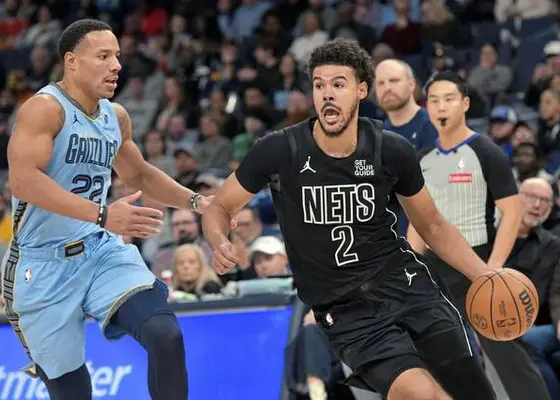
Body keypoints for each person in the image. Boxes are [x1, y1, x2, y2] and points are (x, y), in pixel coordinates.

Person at [202, 38, 497, 400]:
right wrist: (218, 241)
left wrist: (486, 275)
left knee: (473, 392)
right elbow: (219, 206)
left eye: (338, 84)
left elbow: (432, 225)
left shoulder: (390, 150)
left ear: (361, 90)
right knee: (420, 394)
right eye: (319, 85)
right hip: (347, 312)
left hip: (407, 286)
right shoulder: (280, 150)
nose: (327, 93)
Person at [4, 19, 207, 400]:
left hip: (100, 250)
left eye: (117, 56)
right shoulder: (44, 109)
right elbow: (24, 181)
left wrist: (199, 202)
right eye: (103, 56)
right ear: (72, 61)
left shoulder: (116, 117)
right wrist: (102, 214)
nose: (116, 65)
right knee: (73, 392)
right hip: (43, 265)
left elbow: (140, 175)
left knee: (165, 335)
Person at [407, 72, 550, 400]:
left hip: (477, 263)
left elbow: (512, 213)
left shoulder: (486, 151)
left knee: (508, 355)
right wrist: (411, 264)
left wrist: (493, 270)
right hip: (434, 270)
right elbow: (419, 220)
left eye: (449, 99)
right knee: (438, 358)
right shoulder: (422, 159)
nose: (441, 106)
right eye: (434, 101)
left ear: (466, 104)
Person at [374, 58, 439, 236]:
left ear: (411, 84)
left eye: (394, 80)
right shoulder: (376, 136)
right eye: (381, 83)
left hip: (429, 235)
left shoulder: (433, 126)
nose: (387, 88)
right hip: (390, 237)